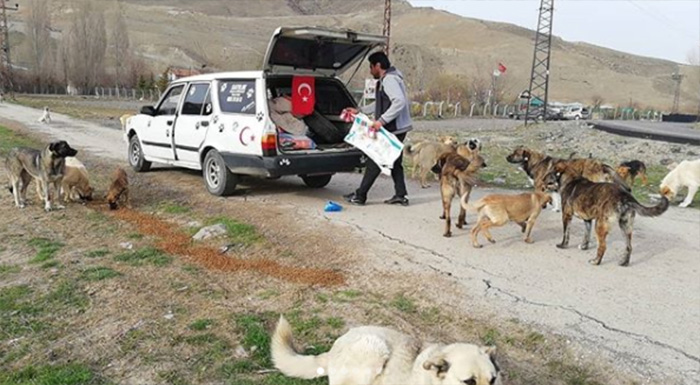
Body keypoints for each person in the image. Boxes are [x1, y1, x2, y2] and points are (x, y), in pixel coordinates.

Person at [342, 51, 413, 206]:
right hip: (397, 127)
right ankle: (401, 195)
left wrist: (381, 121)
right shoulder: (388, 79)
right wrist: (360, 110)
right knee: (395, 161)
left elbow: (399, 102)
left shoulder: (389, 80)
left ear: (378, 66)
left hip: (394, 127)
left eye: (371, 66)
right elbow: (381, 103)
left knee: (375, 158)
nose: (370, 70)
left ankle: (360, 196)